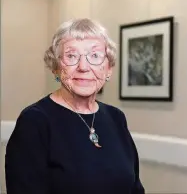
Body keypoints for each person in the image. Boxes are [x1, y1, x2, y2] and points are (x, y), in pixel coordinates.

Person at [5, 18, 145, 194]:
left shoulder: (116, 117)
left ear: (108, 68)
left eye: (95, 56)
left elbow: (135, 188)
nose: (83, 67)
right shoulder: (34, 121)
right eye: (71, 56)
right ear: (56, 67)